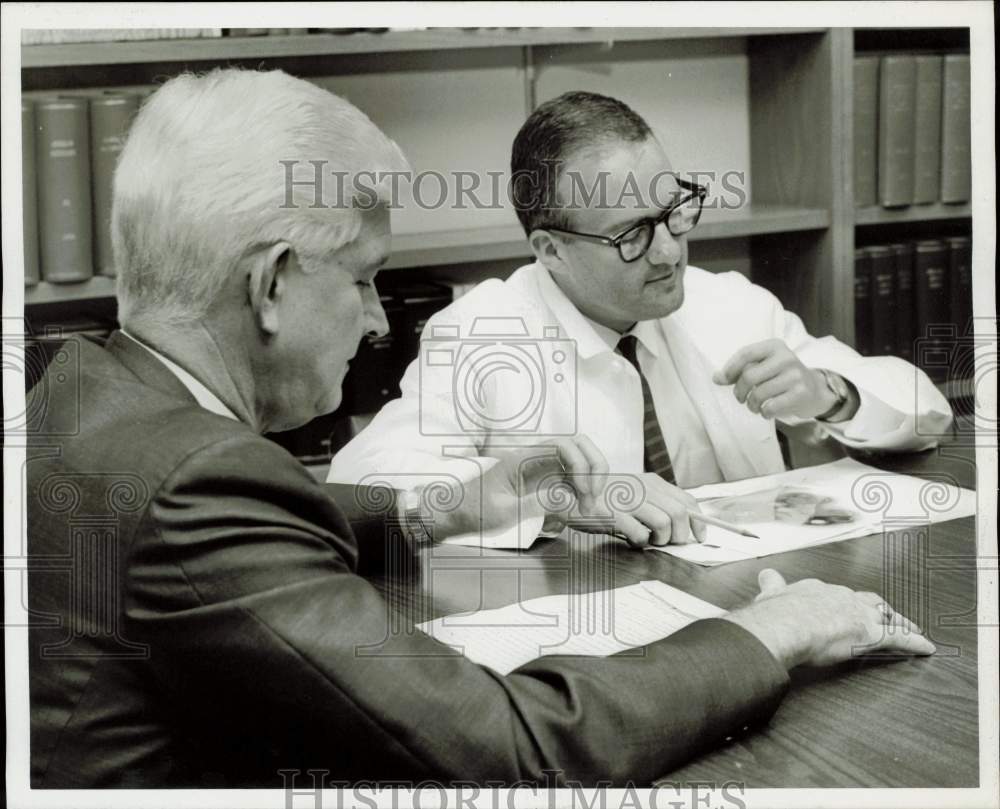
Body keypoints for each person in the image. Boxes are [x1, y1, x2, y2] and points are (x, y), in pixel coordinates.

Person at [26, 69, 933, 790]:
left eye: (674, 213)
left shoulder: (85, 397)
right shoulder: (198, 477)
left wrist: (446, 509)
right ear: (272, 284)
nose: (380, 322)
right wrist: (772, 631)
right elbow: (510, 749)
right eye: (364, 281)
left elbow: (273, 517)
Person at [328, 91, 953, 546]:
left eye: (674, 211)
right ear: (551, 251)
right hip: (597, 633)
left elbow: (926, 412)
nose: (670, 251)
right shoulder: (479, 334)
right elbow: (364, 485)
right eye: (632, 234)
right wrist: (548, 499)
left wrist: (833, 396)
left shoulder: (729, 302)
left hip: (759, 592)